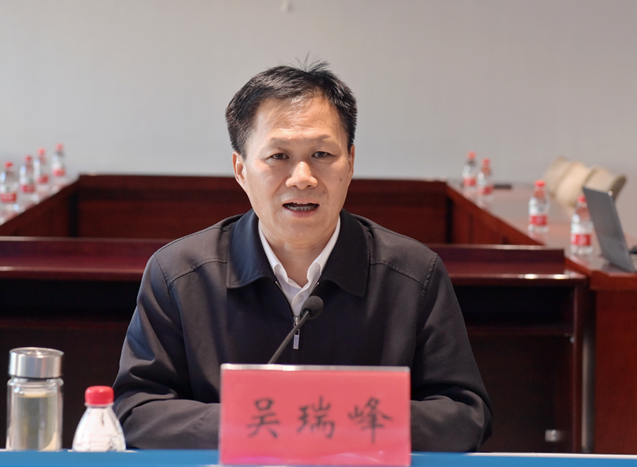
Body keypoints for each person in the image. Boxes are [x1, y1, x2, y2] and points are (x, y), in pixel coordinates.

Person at [113, 61, 493, 451]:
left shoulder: (414, 274)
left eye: (322, 153)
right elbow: (136, 409)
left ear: (350, 162)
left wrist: (335, 424)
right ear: (241, 169)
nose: (302, 178)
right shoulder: (179, 274)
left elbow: (464, 415)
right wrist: (258, 425)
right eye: (278, 156)